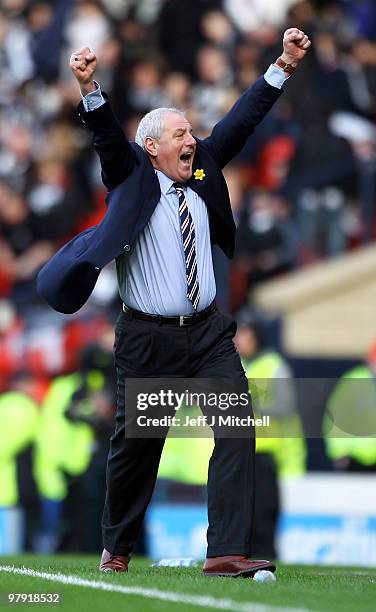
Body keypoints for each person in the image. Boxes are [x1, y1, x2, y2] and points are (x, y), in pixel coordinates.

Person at [37, 27, 311, 576]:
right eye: (181, 132)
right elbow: (108, 140)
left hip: (208, 331)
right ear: (153, 147)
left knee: (237, 426)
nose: (192, 139)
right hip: (148, 336)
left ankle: (226, 551)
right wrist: (91, 88)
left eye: (191, 130)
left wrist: (282, 64)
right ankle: (116, 547)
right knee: (138, 448)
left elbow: (241, 120)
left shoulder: (202, 169)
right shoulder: (132, 175)